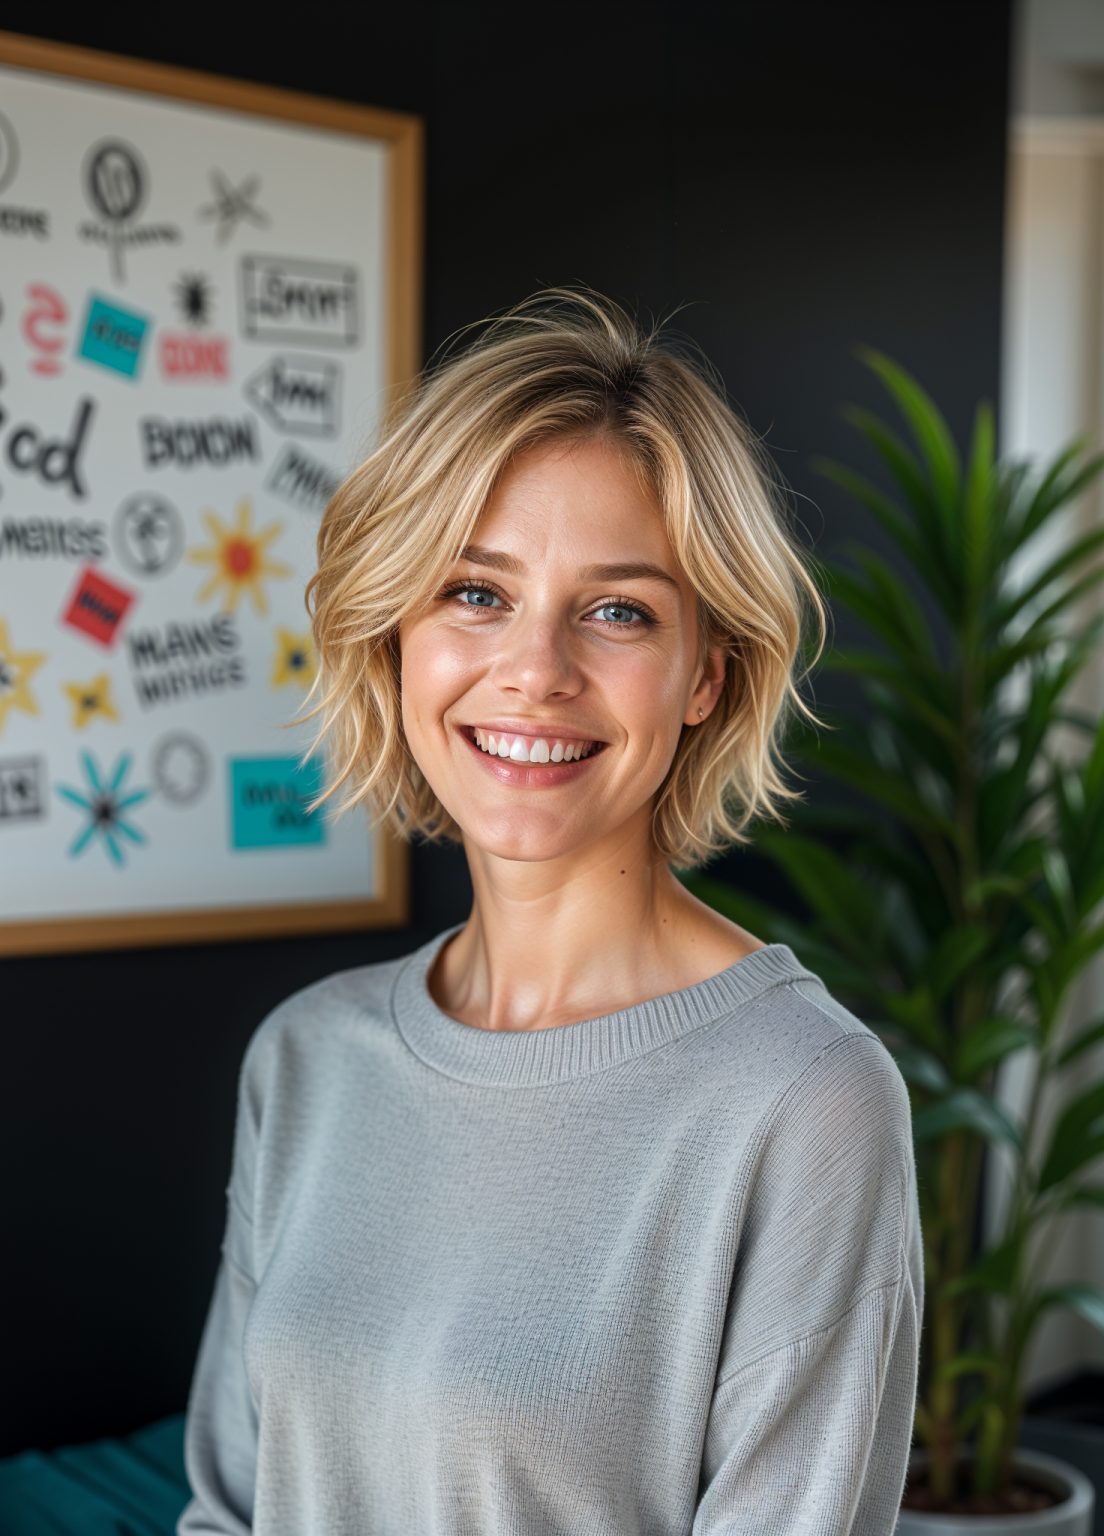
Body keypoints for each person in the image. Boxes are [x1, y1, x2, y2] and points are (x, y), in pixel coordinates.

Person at [177, 286, 924, 1535]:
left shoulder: (805, 1101)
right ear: (398, 636)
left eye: (619, 609)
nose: (536, 668)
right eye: (476, 592)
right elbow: (228, 1511)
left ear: (704, 676)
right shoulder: (306, 1057)